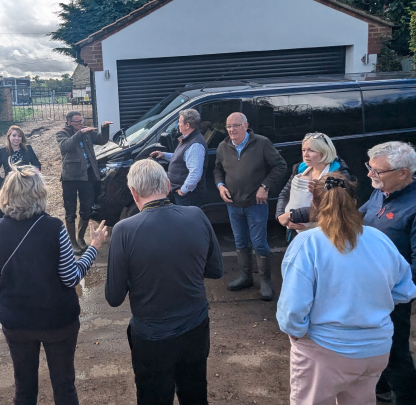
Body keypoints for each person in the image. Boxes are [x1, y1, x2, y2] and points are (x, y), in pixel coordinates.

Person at [277, 173, 416, 405]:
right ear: (354, 202)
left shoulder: (307, 244)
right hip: (376, 350)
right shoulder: (380, 239)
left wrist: (298, 334)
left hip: (325, 349)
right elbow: (405, 290)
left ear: (314, 203)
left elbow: (292, 310)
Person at [0, 165, 108, 405]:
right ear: (39, 194)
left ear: (6, 195)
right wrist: (93, 247)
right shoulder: (54, 227)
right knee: (64, 386)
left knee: (24, 387)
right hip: (58, 321)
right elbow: (71, 277)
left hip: (17, 322)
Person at [106, 159, 224, 405]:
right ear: (169, 185)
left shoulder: (124, 230)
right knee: (196, 400)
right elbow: (216, 270)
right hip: (195, 327)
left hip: (151, 337)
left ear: (134, 193)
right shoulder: (197, 215)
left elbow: (114, 297)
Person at [359, 142, 416, 405]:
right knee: (374, 345)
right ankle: (381, 388)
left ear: (403, 173)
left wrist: (389, 293)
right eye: (370, 168)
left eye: (378, 171)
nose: (370, 175)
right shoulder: (381, 192)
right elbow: (356, 218)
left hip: (392, 296)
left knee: (396, 355)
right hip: (367, 290)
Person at [214, 112, 287, 299]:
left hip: (256, 204)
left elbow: (280, 165)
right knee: (240, 242)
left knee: (259, 243)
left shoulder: (261, 143)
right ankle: (246, 277)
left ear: (246, 125)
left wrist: (265, 186)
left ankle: (265, 282)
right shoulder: (223, 146)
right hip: (233, 204)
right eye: (228, 126)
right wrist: (220, 186)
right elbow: (217, 169)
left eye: (236, 126)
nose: (231, 130)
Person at [276, 132, 352, 240]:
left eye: (311, 150)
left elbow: (330, 207)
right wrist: (280, 215)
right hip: (296, 233)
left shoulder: (337, 175)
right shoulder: (300, 169)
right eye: (304, 150)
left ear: (324, 152)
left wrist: (291, 215)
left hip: (325, 235)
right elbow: (285, 193)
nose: (305, 154)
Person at [56, 111, 112, 256]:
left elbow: (101, 140)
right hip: (70, 178)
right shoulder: (62, 133)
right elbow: (66, 146)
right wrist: (80, 133)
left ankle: (80, 238)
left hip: (87, 176)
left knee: (87, 208)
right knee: (70, 210)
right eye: (77, 121)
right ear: (69, 122)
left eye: (82, 120)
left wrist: (104, 128)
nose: (81, 123)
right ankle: (72, 241)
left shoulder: (86, 132)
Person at [149, 108, 207, 207]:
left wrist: (183, 191)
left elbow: (196, 173)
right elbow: (182, 158)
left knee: (187, 222)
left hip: (188, 197)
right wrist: (164, 155)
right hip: (183, 195)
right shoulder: (188, 139)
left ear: (187, 125)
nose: (178, 125)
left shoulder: (195, 145)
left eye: (180, 122)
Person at [0, 125, 42, 219]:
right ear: (9, 137)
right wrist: (2, 184)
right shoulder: (2, 152)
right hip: (9, 188)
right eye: (14, 135)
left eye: (19, 136)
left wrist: (33, 180)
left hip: (26, 187)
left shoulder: (28, 149)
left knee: (27, 211)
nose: (16, 138)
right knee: (4, 213)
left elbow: (37, 166)